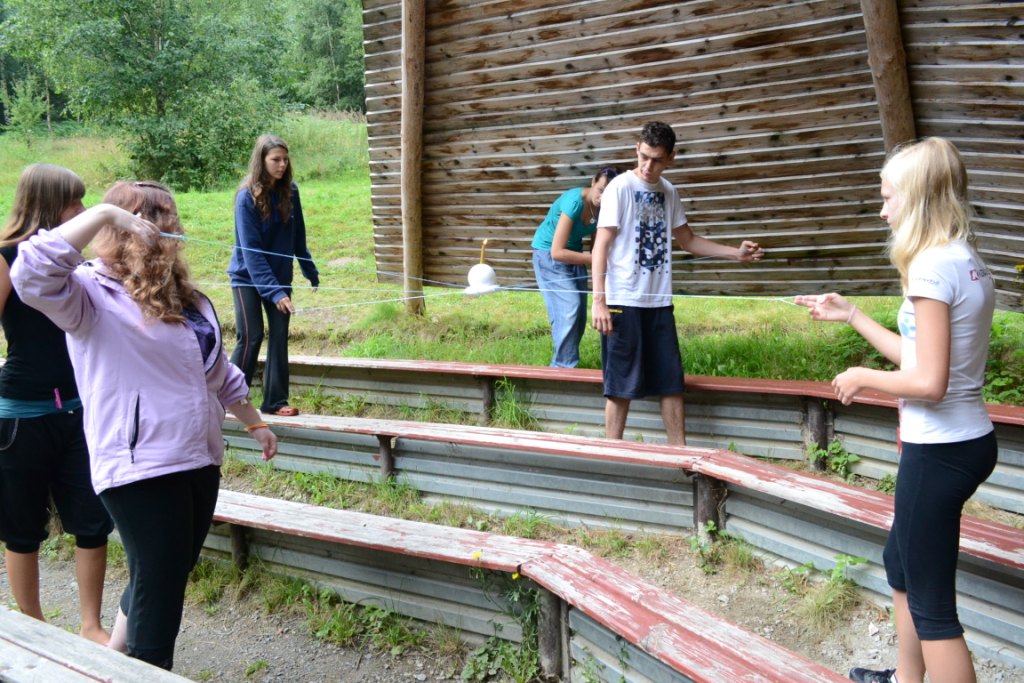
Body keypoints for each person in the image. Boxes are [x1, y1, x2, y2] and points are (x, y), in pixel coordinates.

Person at [11, 180, 278, 671]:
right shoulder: (89, 293)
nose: (164, 224)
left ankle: (112, 659)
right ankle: (146, 670)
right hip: (139, 464)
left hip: (198, 455)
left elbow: (218, 371)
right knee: (160, 591)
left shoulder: (189, 299)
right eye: (150, 214)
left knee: (166, 571)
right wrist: (102, 214)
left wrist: (254, 422)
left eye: (169, 214)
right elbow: (30, 272)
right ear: (121, 224)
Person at [795, 137, 996, 683]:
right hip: (960, 442)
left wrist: (862, 377)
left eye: (888, 197)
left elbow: (928, 382)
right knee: (901, 566)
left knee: (933, 607)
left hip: (941, 450)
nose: (883, 211)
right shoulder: (962, 258)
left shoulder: (931, 268)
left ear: (918, 198)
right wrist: (853, 315)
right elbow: (921, 355)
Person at [591, 121, 764, 445]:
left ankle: (679, 453)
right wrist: (599, 301)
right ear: (637, 149)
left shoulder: (669, 192)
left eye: (657, 160)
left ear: (671, 157)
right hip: (622, 301)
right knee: (620, 385)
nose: (648, 166)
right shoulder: (620, 188)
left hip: (659, 303)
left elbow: (688, 240)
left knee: (671, 383)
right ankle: (612, 453)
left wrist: (735, 254)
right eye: (643, 156)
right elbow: (601, 245)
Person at [0, 164, 113, 644]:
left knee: (92, 522)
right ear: (49, 205)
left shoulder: (79, 261)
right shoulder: (6, 255)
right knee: (22, 530)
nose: (83, 210)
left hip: (80, 409)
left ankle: (91, 626)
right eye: (74, 202)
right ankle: (34, 626)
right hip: (21, 415)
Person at [228, 134, 319, 417]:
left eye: (285, 159)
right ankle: (230, 398)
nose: (282, 165)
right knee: (251, 335)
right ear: (261, 161)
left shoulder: (291, 191)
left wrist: (308, 268)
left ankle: (275, 401)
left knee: (279, 334)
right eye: (275, 160)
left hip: (279, 276)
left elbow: (297, 235)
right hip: (246, 276)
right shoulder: (246, 197)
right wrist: (275, 293)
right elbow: (252, 252)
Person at [531, 166, 619, 368]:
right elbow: (557, 252)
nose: (603, 197)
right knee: (569, 308)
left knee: (578, 316)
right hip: (548, 255)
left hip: (574, 254)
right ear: (593, 182)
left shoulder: (605, 208)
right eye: (601, 190)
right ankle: (561, 368)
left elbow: (598, 246)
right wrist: (594, 259)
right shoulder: (574, 202)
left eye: (609, 194)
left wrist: (600, 262)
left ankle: (566, 363)